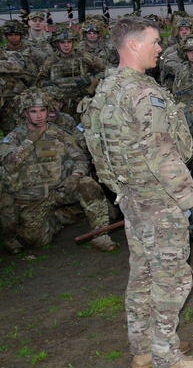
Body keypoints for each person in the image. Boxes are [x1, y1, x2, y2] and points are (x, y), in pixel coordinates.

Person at [80, 16, 193, 368]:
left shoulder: (107, 88)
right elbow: (162, 154)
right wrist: (190, 201)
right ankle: (165, 359)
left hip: (131, 195)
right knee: (172, 278)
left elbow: (98, 149)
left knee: (142, 273)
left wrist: (120, 188)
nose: (160, 48)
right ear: (134, 45)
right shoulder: (143, 93)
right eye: (155, 41)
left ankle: (143, 348)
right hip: (158, 197)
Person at [0, 88, 117, 254]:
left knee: (88, 185)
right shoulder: (14, 137)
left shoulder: (59, 133)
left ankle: (100, 235)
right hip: (33, 199)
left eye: (42, 110)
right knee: (37, 241)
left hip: (59, 190)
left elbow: (80, 159)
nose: (39, 115)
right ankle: (59, 217)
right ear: (25, 113)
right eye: (33, 111)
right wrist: (31, 139)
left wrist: (75, 176)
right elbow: (9, 164)